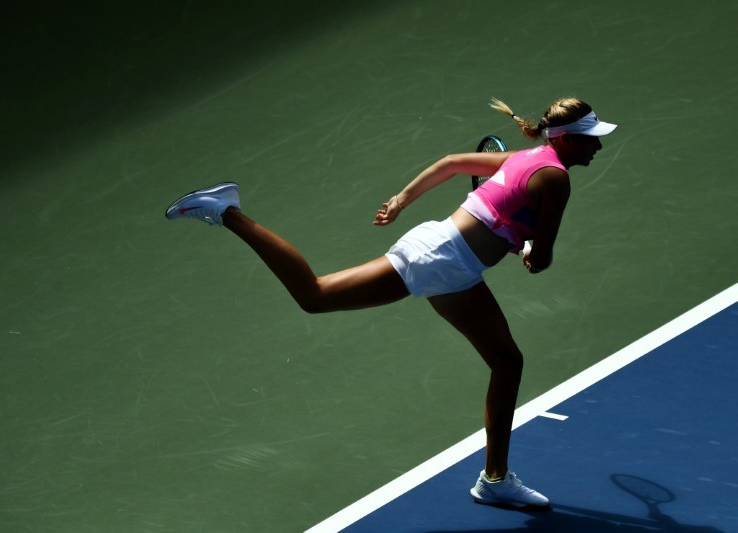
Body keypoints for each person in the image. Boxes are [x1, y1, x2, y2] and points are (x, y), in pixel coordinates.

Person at [165, 97, 617, 508]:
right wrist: (528, 250)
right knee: (314, 295)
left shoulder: (527, 157)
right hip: (444, 261)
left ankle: (495, 480)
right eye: (590, 139)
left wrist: (403, 199)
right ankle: (228, 211)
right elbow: (541, 259)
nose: (596, 147)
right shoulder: (555, 180)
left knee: (506, 360)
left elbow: (453, 163)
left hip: (445, 257)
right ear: (567, 139)